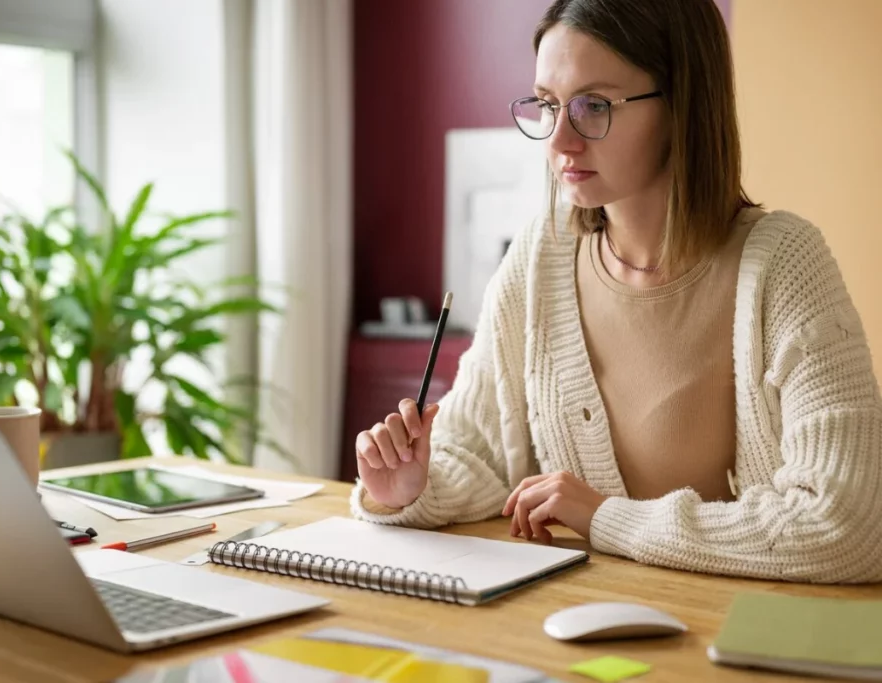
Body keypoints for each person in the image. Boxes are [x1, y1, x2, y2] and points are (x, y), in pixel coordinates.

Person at [349, 0, 882, 584]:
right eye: (548, 106)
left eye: (593, 106)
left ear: (682, 103)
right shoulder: (539, 256)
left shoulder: (785, 264)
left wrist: (607, 518)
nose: (560, 142)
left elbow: (845, 527)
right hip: (574, 631)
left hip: (731, 641)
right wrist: (411, 487)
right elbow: (474, 453)